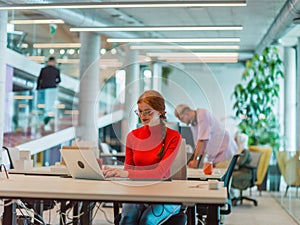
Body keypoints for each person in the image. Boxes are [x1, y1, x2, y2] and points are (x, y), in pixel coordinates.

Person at [103, 90, 182, 225]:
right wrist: (115, 172)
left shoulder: (173, 137)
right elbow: (129, 169)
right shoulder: (132, 136)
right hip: (137, 191)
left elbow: (159, 173)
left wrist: (125, 172)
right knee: (127, 220)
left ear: (160, 112)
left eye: (148, 112)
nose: (142, 116)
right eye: (139, 111)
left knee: (147, 220)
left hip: (165, 194)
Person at [174, 104, 237, 168]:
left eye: (181, 119)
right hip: (215, 157)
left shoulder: (202, 114)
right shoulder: (193, 124)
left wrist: (196, 161)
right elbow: (198, 146)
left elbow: (201, 140)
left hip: (225, 152)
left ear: (186, 112)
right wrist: (193, 161)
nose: (182, 121)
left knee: (219, 176)